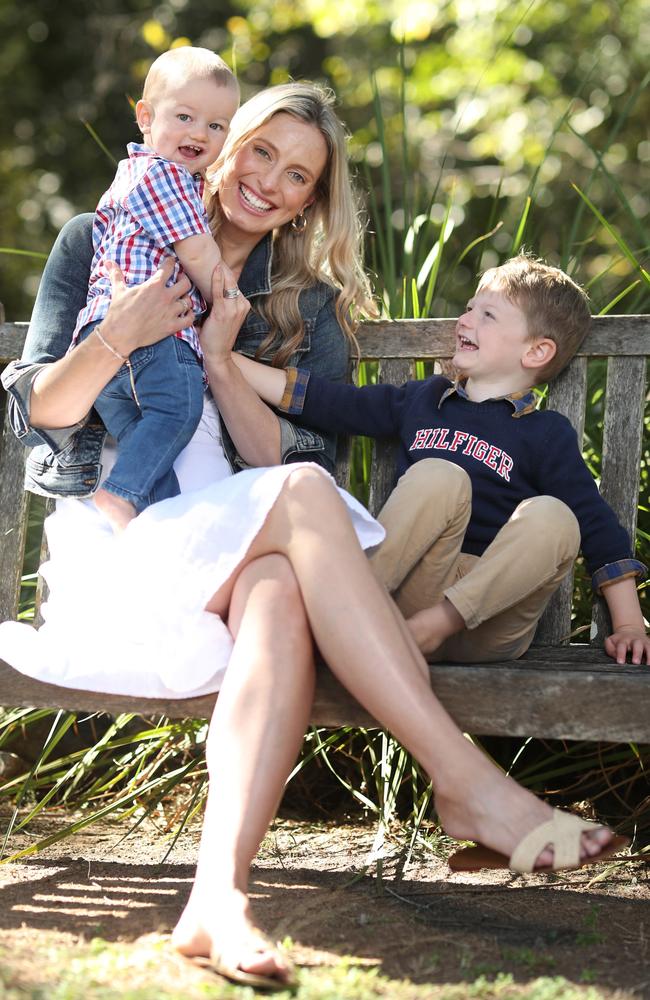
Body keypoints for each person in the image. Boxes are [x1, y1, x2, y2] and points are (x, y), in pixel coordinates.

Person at [0, 86, 626, 990]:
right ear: (223, 144)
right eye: (260, 153)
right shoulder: (103, 233)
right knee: (295, 499)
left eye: (298, 177)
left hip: (237, 539)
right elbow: (47, 415)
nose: (268, 182)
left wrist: (218, 358)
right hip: (125, 539)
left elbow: (291, 471)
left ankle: (217, 897)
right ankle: (468, 784)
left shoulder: (309, 307)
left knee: (285, 578)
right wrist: (122, 335)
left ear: (308, 203)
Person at [230, 254, 650, 670]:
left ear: (537, 351)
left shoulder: (545, 433)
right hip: (413, 593)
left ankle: (435, 623)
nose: (465, 319)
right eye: (468, 308)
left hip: (490, 617)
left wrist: (629, 623)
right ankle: (351, 607)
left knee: (557, 517)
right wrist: (224, 359)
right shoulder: (424, 400)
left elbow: (595, 525)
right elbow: (330, 401)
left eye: (487, 315)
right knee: (439, 476)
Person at [72, 47, 240, 531]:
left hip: (105, 347)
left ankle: (154, 523)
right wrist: (231, 302)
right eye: (184, 116)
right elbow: (199, 255)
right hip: (151, 338)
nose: (199, 133)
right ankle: (119, 495)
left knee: (148, 447)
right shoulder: (162, 176)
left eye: (216, 125)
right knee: (179, 411)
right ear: (145, 117)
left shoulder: (133, 176)